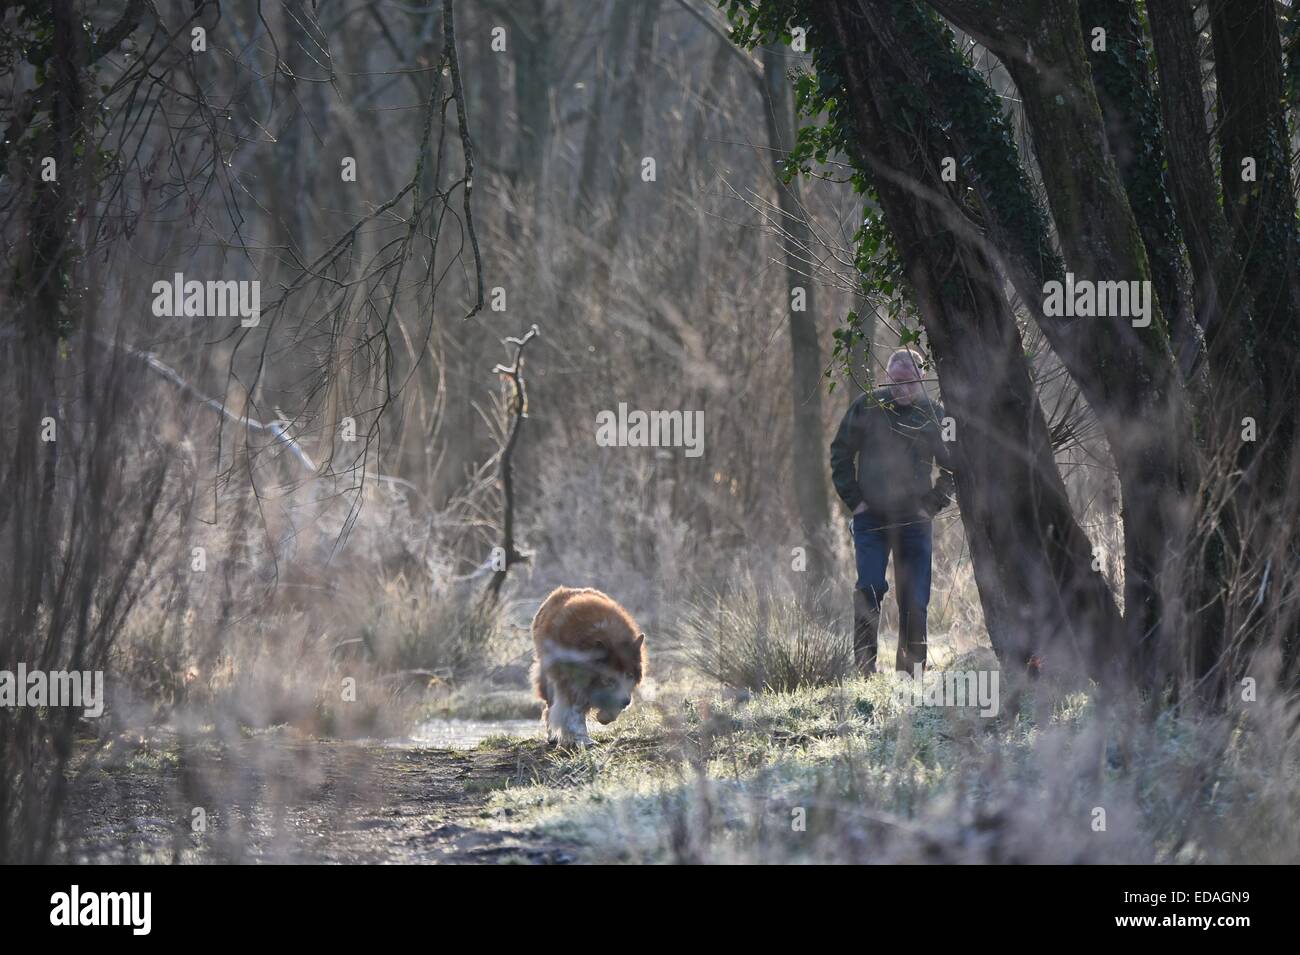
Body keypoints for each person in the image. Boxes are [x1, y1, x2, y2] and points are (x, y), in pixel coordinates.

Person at [829, 348, 955, 675]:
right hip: (871, 518)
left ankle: (910, 672)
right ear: (887, 378)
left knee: (914, 598)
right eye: (896, 382)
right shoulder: (868, 407)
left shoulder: (934, 415)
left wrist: (931, 504)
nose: (902, 389)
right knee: (869, 587)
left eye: (910, 382)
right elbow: (840, 453)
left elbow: (954, 466)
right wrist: (855, 500)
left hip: (914, 520)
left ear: (921, 380)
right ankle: (864, 669)